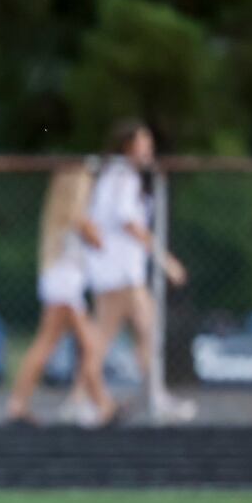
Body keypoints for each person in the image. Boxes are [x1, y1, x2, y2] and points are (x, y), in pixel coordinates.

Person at [79, 119, 190, 419]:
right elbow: (129, 223)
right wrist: (165, 260)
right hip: (121, 274)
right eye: (143, 144)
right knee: (139, 334)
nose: (148, 150)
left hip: (114, 272)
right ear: (128, 146)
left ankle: (98, 400)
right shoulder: (122, 176)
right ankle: (110, 399)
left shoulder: (113, 175)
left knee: (137, 335)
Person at [5, 164, 117, 425]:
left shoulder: (60, 215)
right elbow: (91, 235)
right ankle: (101, 404)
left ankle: (20, 404)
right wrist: (97, 237)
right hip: (65, 281)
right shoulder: (76, 213)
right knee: (82, 345)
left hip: (64, 279)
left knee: (55, 344)